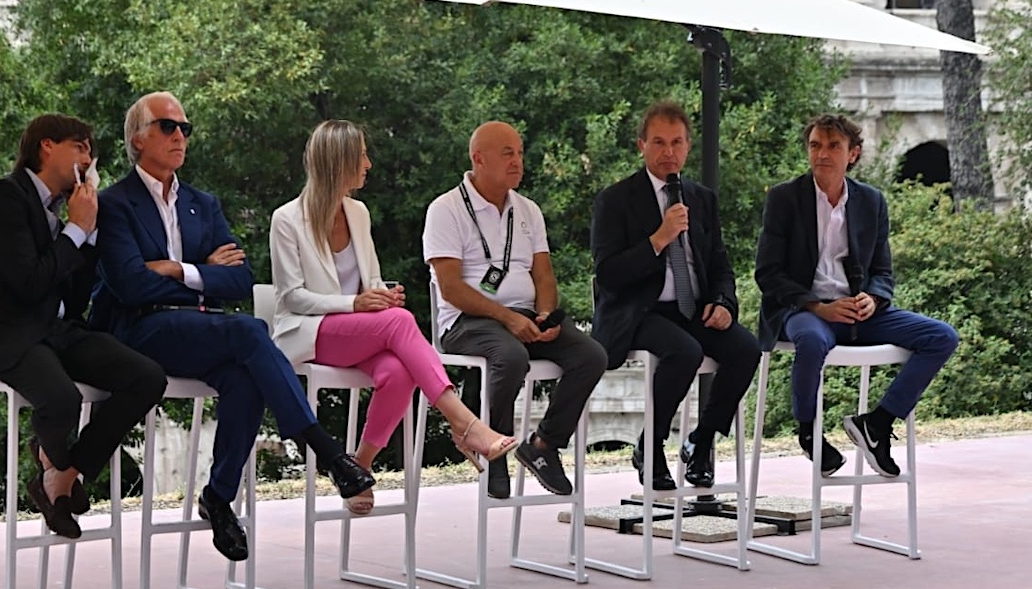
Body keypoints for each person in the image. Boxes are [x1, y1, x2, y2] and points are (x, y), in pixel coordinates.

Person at [91, 92, 374, 562]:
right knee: (249, 332)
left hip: (198, 331)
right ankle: (325, 450)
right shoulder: (114, 204)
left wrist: (177, 269)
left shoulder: (203, 204)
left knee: (245, 374)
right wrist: (205, 272)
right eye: (168, 127)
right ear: (137, 139)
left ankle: (218, 497)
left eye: (185, 128)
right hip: (141, 333)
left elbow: (240, 280)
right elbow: (131, 286)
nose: (180, 136)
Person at [269, 120, 517, 514]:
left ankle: (359, 467)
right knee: (399, 321)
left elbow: (369, 280)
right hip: (308, 332)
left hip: (355, 332)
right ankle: (465, 424)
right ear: (340, 162)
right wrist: (356, 304)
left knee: (400, 372)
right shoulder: (286, 219)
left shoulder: (358, 212)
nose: (368, 164)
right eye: (362, 156)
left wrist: (381, 296)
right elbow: (291, 297)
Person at [0, 114, 167, 539]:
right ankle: (52, 460)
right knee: (62, 399)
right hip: (3, 331)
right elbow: (29, 282)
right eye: (80, 148)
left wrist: (88, 233)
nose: (88, 161)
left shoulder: (63, 210)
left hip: (55, 330)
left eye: (92, 153)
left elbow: (76, 295)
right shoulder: (4, 198)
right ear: (47, 146)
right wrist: (76, 229)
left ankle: (64, 474)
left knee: (146, 377)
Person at [755, 113, 958, 477]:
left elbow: (883, 271)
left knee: (941, 336)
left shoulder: (871, 201)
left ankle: (877, 424)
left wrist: (873, 299)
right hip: (804, 310)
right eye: (815, 145)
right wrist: (818, 306)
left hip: (858, 312)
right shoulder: (785, 198)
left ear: (853, 153)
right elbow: (768, 273)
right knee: (812, 341)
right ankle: (809, 433)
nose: (822, 154)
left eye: (834, 146)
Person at [423, 121, 607, 500]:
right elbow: (451, 288)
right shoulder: (446, 209)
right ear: (478, 159)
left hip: (523, 317)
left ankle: (543, 446)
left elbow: (544, 275)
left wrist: (545, 315)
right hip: (466, 322)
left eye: (520, 153)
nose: (517, 162)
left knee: (591, 355)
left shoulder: (527, 210)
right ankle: (493, 449)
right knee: (510, 355)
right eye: (507, 153)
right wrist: (506, 317)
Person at [590, 101, 758, 491]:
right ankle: (651, 447)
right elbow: (609, 274)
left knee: (746, 348)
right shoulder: (615, 200)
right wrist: (658, 239)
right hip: (639, 311)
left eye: (677, 142)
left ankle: (701, 442)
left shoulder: (701, 198)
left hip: (693, 308)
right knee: (685, 351)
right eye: (659, 142)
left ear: (688, 146)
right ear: (641, 146)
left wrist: (723, 302)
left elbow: (719, 263)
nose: (669, 152)